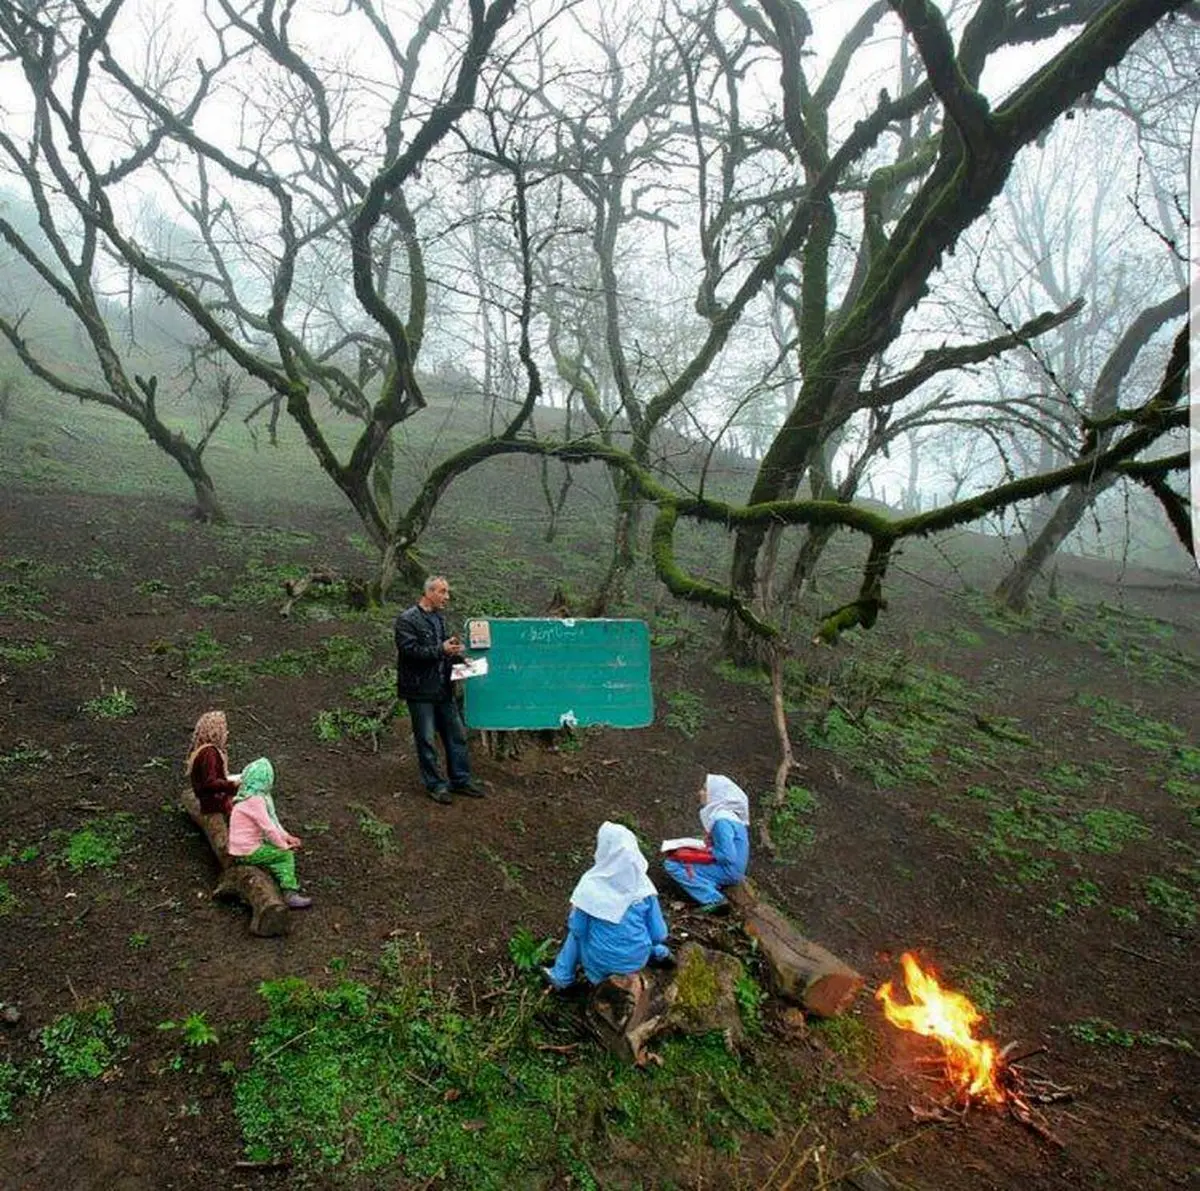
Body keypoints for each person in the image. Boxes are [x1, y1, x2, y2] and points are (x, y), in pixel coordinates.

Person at [543, 822, 673, 990]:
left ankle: (561, 976)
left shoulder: (591, 885)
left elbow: (578, 929)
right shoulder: (643, 887)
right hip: (635, 963)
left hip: (598, 968)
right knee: (642, 931)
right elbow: (659, 934)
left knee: (574, 937)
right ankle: (660, 953)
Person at [394, 575, 484, 804]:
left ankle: (461, 780)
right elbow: (410, 652)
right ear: (429, 593)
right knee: (426, 739)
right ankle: (435, 785)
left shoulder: (439, 618)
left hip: (444, 689)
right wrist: (441, 649)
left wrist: (459, 658)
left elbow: (444, 649)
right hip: (419, 691)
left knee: (456, 735)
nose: (447, 597)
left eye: (447, 592)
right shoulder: (407, 620)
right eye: (443, 592)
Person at [227, 757, 312, 910]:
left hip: (240, 849)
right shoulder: (255, 801)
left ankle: (277, 873)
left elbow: (272, 824)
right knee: (285, 856)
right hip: (246, 852)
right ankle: (290, 892)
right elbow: (269, 828)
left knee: (274, 849)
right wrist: (283, 846)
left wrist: (286, 837)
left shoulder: (245, 797)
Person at [662, 774, 751, 913]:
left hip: (728, 870)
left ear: (717, 794)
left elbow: (727, 855)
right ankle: (709, 884)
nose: (700, 793)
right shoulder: (730, 817)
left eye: (705, 789)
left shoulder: (721, 821)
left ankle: (714, 899)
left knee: (672, 864)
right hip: (732, 868)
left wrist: (705, 851)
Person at [186, 710, 240, 818]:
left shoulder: (203, 750)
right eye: (224, 730)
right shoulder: (209, 753)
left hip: (209, 800)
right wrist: (233, 784)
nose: (226, 733)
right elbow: (210, 783)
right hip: (213, 803)